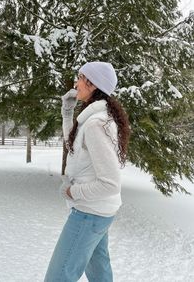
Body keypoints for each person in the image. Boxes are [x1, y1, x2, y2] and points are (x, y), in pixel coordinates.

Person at [44, 61, 130, 282]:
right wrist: (67, 113)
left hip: (89, 213)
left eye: (80, 78)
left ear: (92, 84)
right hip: (99, 213)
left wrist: (72, 191)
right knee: (99, 272)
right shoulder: (95, 119)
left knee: (58, 276)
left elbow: (110, 184)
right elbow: (74, 147)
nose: (76, 83)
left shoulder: (95, 124)